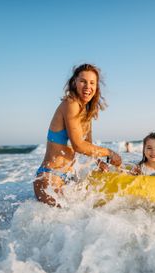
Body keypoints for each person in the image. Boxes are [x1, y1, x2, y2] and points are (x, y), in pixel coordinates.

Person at [34, 64, 122, 206]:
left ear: (96, 87)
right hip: (50, 178)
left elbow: (88, 148)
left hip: (67, 178)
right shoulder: (71, 103)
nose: (88, 86)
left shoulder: (87, 112)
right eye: (83, 81)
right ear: (74, 82)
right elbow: (78, 145)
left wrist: (98, 162)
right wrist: (109, 152)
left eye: (92, 83)